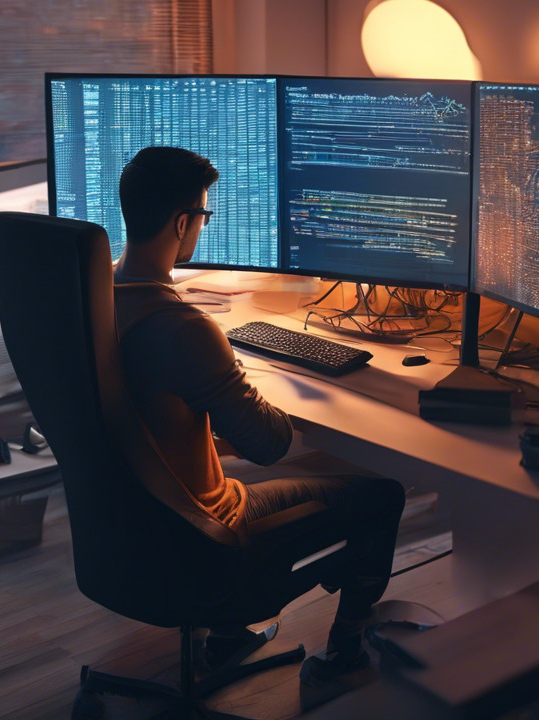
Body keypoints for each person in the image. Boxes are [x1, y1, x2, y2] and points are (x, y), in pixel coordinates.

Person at [112, 146, 406, 683]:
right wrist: (242, 381)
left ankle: (226, 638)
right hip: (206, 533)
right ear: (182, 223)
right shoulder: (181, 328)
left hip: (129, 536)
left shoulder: (94, 298)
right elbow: (269, 445)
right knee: (383, 496)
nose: (201, 226)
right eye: (203, 215)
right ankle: (344, 658)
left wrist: (215, 387)